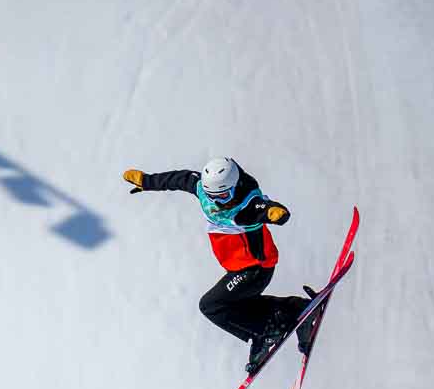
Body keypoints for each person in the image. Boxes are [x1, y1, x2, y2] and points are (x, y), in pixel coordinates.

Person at [123, 156, 315, 373]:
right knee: (235, 304)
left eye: (223, 195)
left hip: (255, 268)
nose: (217, 201)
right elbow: (181, 179)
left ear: (234, 187)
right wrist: (147, 181)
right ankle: (295, 310)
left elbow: (263, 208)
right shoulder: (205, 192)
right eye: (212, 195)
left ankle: (264, 332)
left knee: (211, 305)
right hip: (238, 267)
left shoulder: (246, 203)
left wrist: (274, 212)